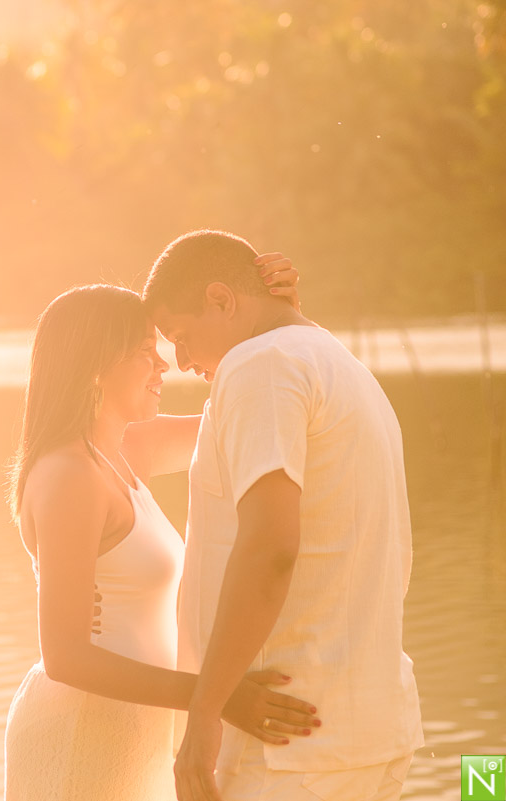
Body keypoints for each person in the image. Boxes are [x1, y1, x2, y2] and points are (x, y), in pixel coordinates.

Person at [3, 257, 320, 801]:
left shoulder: (124, 451)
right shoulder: (67, 476)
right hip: (82, 731)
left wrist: (283, 319)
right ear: (96, 367)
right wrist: (216, 699)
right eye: (145, 354)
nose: (163, 368)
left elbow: (266, 406)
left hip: (134, 728)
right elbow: (65, 655)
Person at [142, 230, 423, 801]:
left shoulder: (260, 364)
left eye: (180, 337)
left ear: (222, 300)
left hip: (290, 749)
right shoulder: (339, 364)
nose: (182, 361)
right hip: (362, 733)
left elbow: (270, 549)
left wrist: (205, 712)